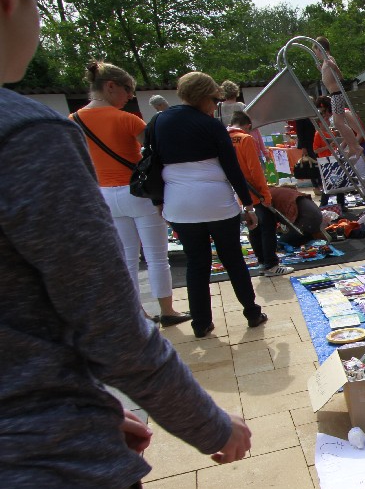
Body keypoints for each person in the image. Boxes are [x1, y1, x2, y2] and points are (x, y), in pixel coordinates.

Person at [0, 0, 268, 489]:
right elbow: (112, 329)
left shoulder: (148, 123)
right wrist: (209, 425)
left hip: (40, 449)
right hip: (43, 479)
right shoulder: (24, 136)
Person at [70, 60, 190, 327]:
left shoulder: (73, 121)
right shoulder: (127, 119)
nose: (130, 96)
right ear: (110, 86)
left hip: (104, 194)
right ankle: (167, 310)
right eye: (127, 89)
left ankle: (137, 314)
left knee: (127, 259)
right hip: (137, 192)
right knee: (156, 256)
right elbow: (156, 153)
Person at [154, 72, 267, 339]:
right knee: (233, 259)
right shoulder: (211, 125)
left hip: (179, 202)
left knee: (197, 263)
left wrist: (159, 201)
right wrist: (248, 205)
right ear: (204, 97)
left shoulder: (159, 121)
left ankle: (201, 322)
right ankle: (252, 312)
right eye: (215, 100)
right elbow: (232, 168)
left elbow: (153, 164)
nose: (215, 105)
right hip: (215, 201)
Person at [230, 110, 294, 276]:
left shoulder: (224, 138)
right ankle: (271, 264)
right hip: (254, 191)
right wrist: (265, 194)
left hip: (238, 191)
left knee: (253, 226)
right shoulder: (245, 139)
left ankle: (261, 261)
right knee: (267, 226)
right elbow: (255, 169)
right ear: (248, 125)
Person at [314, 35, 361, 152]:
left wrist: (334, 67)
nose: (316, 54)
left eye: (316, 51)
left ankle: (355, 146)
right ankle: (353, 146)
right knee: (337, 123)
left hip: (337, 94)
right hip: (334, 95)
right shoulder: (325, 63)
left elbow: (340, 77)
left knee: (338, 123)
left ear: (320, 49)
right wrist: (321, 70)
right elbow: (328, 77)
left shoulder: (329, 59)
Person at [312, 96, 348, 210]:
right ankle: (323, 204)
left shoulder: (332, 132)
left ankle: (341, 204)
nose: (327, 122)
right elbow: (315, 150)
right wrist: (328, 146)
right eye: (325, 120)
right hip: (325, 160)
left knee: (339, 181)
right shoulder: (318, 134)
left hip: (334, 158)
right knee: (328, 183)